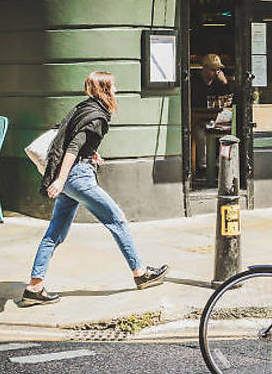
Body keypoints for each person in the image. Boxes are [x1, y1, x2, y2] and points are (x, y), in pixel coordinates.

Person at [21, 71, 168, 306]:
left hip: (74, 175)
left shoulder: (85, 108)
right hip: (77, 177)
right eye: (113, 86)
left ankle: (34, 287)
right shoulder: (96, 116)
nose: (117, 90)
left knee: (55, 232)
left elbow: (78, 144)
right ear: (104, 90)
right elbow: (73, 146)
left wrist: (91, 155)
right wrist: (60, 179)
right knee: (116, 219)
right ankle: (140, 274)